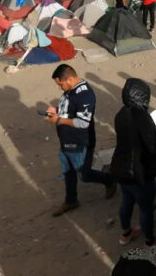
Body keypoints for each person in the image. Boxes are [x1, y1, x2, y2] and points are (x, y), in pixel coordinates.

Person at [46, 64, 116, 217]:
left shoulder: (85, 96)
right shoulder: (69, 90)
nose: (60, 88)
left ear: (70, 79)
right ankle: (71, 201)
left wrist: (58, 120)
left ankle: (109, 180)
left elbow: (83, 122)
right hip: (66, 140)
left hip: (79, 142)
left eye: (61, 84)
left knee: (84, 174)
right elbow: (68, 109)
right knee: (68, 171)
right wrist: (56, 111)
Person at [110, 78, 156, 248]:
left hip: (120, 168)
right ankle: (150, 241)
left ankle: (126, 233)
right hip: (139, 172)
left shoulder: (120, 113)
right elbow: (152, 147)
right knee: (145, 209)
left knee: (126, 201)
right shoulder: (143, 117)